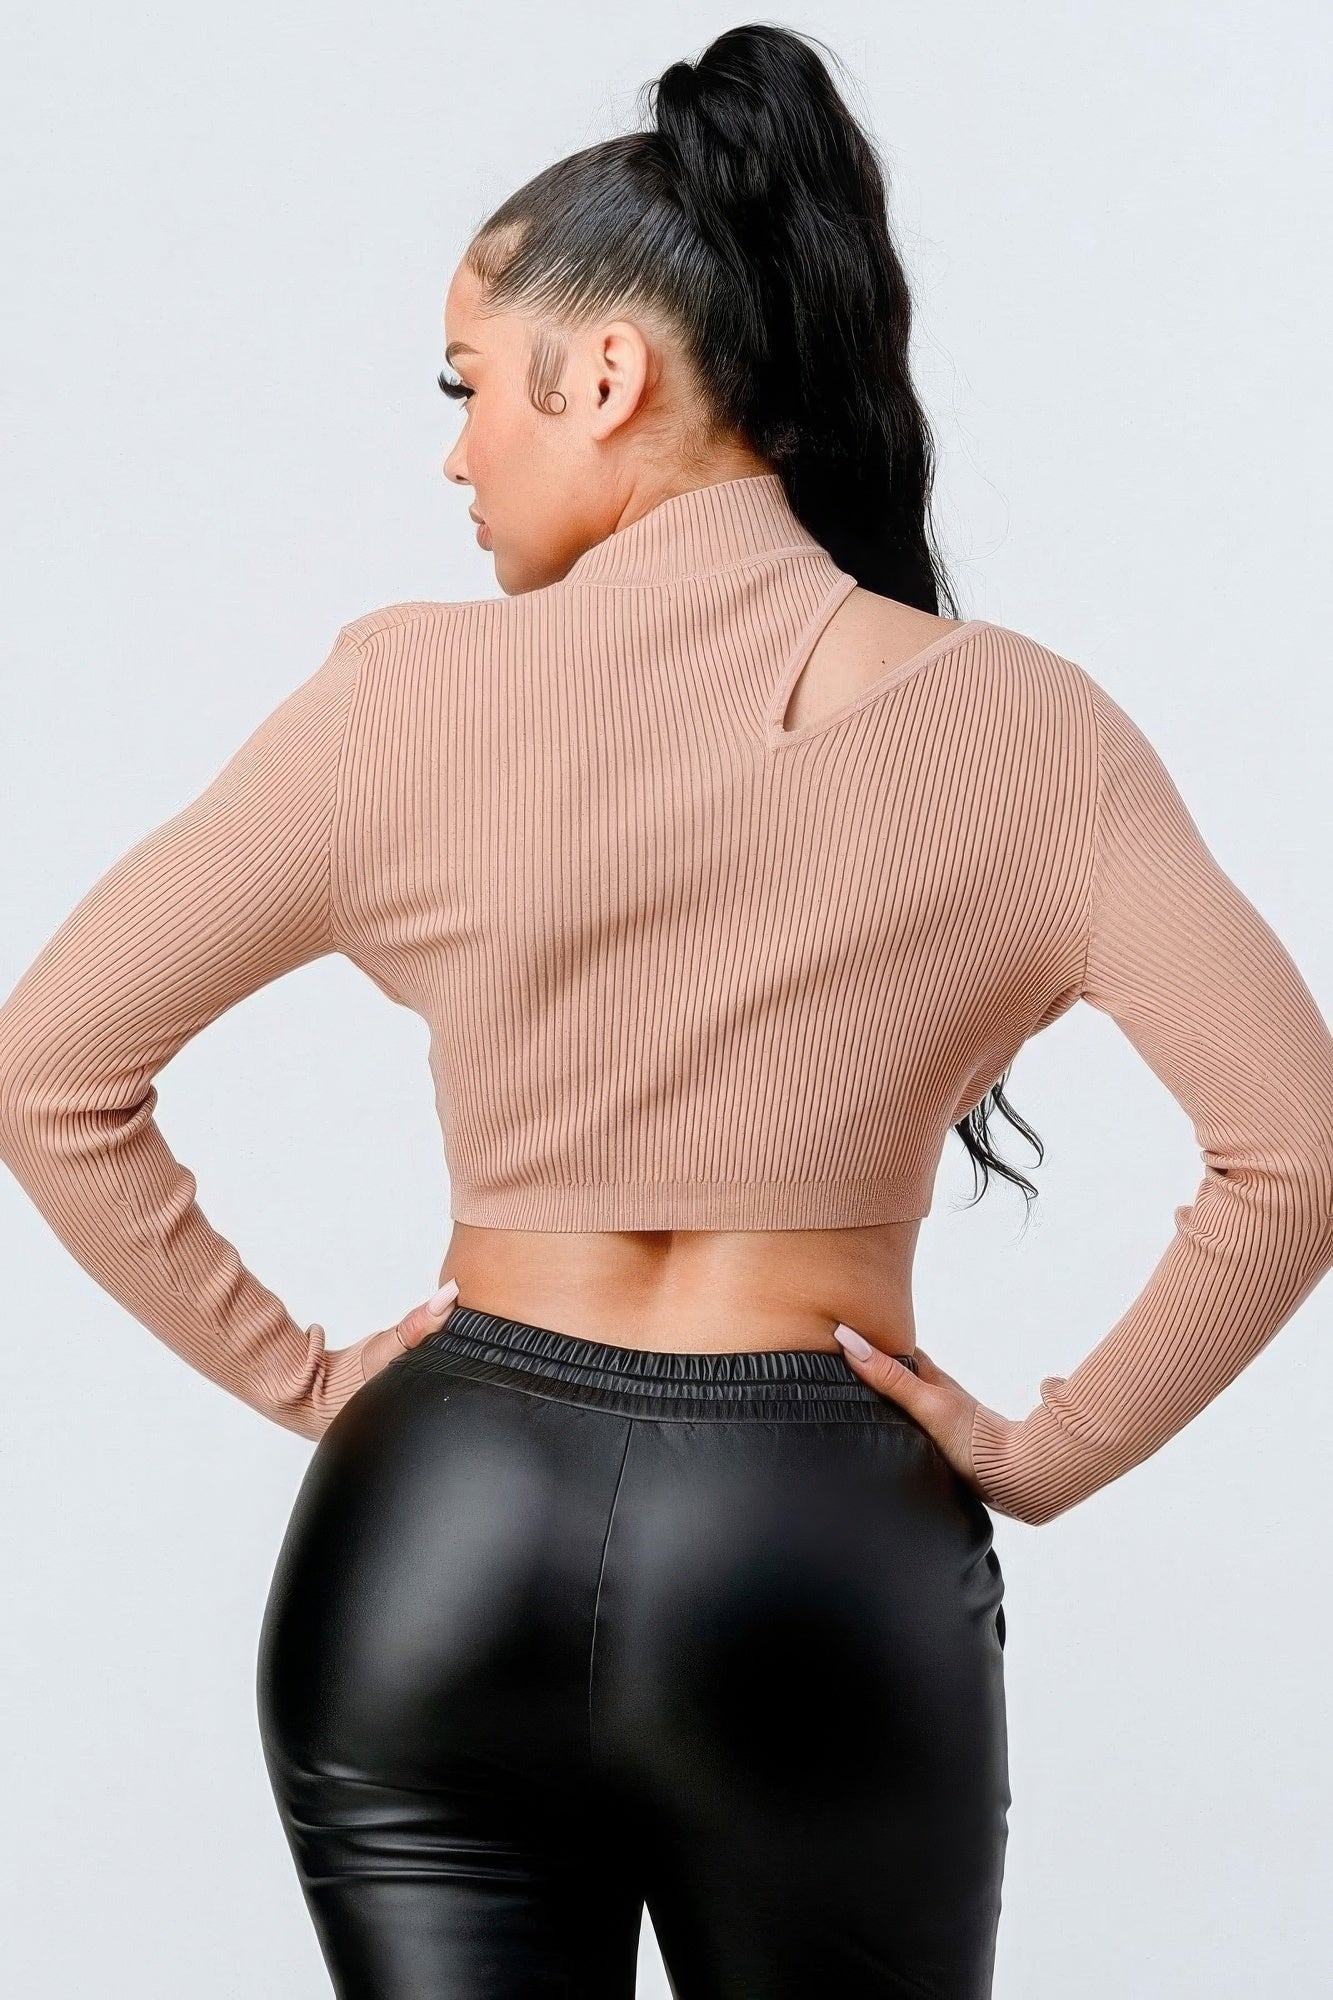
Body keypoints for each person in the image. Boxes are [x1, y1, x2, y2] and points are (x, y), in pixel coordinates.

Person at [1, 21, 1331, 1999]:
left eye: (468, 384)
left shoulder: (399, 701)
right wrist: (1048, 1451)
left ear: (605, 374)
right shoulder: (1027, 730)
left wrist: (311, 1382)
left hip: (435, 1529)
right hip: (810, 1545)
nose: (456, 451)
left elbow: (48, 1072)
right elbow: (1294, 1150)